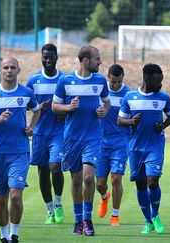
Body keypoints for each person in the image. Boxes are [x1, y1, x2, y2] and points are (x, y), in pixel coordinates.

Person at [0, 57, 41, 243]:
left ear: (18, 70)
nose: (9, 71)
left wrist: (31, 127)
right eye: (5, 67)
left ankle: (14, 234)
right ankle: (4, 236)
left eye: (12, 67)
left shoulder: (26, 92)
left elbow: (37, 110)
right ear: (0, 70)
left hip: (20, 151)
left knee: (15, 195)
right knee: (1, 199)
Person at [52, 45, 110, 236]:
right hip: (71, 139)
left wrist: (104, 111)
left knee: (87, 177)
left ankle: (87, 218)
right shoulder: (65, 80)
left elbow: (106, 102)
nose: (100, 62)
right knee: (76, 180)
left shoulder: (101, 80)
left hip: (93, 137)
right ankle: (77, 221)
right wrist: (68, 107)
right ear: (86, 60)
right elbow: (54, 106)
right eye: (97, 59)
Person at [117, 63, 170, 234]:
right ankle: (148, 221)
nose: (161, 85)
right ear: (147, 79)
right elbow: (120, 120)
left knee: (153, 181)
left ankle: (155, 216)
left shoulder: (163, 97)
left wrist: (163, 125)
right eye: (158, 82)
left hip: (155, 146)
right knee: (140, 185)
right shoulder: (130, 97)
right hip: (135, 147)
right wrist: (130, 121)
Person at [26, 43, 65, 224]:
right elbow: (25, 103)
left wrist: (62, 111)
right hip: (40, 133)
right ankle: (49, 210)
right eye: (45, 57)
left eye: (51, 57)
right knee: (42, 172)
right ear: (42, 58)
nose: (48, 60)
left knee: (55, 167)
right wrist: (37, 108)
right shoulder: (34, 81)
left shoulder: (64, 80)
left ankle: (58, 203)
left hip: (58, 132)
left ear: (56, 57)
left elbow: (72, 104)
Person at [95, 64, 130, 226]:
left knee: (116, 179)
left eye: (118, 82)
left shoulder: (129, 94)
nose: (115, 85)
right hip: (100, 143)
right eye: (112, 82)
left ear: (123, 77)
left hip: (120, 143)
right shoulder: (100, 92)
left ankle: (115, 215)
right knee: (99, 184)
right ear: (107, 77)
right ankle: (104, 197)